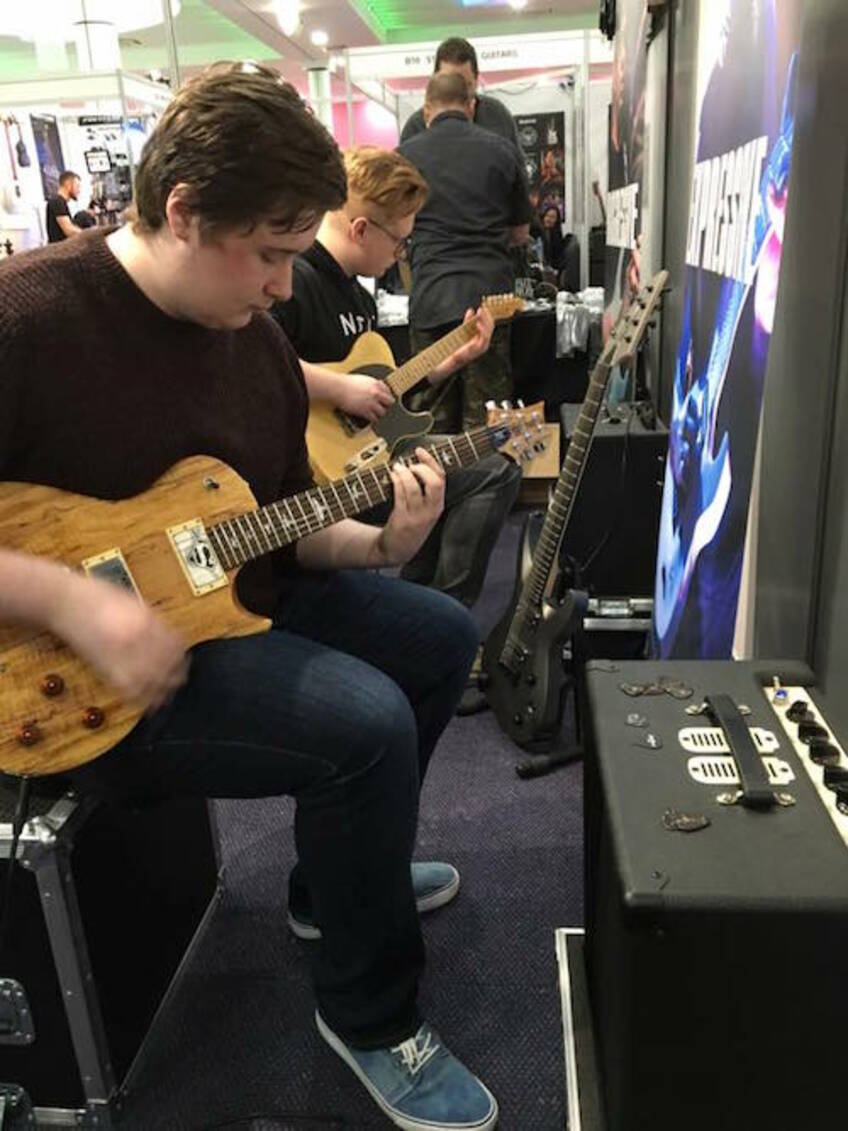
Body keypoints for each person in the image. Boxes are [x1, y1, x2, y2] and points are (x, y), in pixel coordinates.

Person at [0, 65, 498, 1131]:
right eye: (270, 253)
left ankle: (336, 890)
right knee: (360, 725)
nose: (285, 287)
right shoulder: (26, 318)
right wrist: (72, 600)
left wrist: (379, 543)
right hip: (74, 672)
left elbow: (286, 515)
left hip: (239, 597)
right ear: (183, 212)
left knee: (440, 636)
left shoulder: (256, 340)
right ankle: (370, 1019)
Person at [273, 144, 522, 609]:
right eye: (399, 241)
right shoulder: (297, 281)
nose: (402, 254)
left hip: (374, 449)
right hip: (323, 482)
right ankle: (442, 604)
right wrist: (339, 388)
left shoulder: (358, 298)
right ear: (361, 229)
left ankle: (420, 601)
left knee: (495, 464)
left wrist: (450, 361)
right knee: (490, 474)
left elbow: (381, 391)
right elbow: (259, 364)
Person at [399, 72, 531, 432]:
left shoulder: (404, 157)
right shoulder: (503, 150)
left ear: (427, 110)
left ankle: (434, 489)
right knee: (488, 423)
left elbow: (397, 229)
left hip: (431, 296)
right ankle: (491, 487)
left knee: (428, 422)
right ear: (471, 106)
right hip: (492, 299)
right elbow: (520, 234)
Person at [400, 36, 522, 153]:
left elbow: (517, 168)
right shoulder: (415, 127)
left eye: (466, 85)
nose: (458, 94)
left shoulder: (498, 115)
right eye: (450, 84)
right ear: (435, 79)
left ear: (477, 79)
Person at [45, 170, 81, 242]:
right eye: (77, 186)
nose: (79, 190)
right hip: (60, 250)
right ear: (68, 185)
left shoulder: (61, 202)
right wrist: (90, 234)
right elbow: (69, 231)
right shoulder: (57, 202)